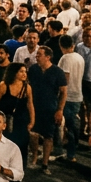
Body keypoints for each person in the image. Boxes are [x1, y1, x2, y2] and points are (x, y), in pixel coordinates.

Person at [0, 63, 34, 182]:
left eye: (25, 72)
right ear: (14, 72)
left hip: (20, 123)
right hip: (5, 124)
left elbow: (30, 105)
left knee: (21, 152)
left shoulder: (27, 88)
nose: (24, 74)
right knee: (5, 150)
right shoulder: (4, 86)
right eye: (21, 71)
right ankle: (3, 179)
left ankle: (17, 181)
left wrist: (32, 121)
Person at [28, 46, 68, 174]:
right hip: (34, 107)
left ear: (48, 57)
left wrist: (60, 110)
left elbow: (63, 92)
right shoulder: (33, 69)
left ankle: (45, 163)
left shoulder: (58, 72)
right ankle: (34, 155)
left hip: (50, 108)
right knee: (33, 134)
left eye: (39, 54)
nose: (36, 57)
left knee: (48, 136)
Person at [61, 35, 88, 161]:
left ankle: (71, 153)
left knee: (69, 126)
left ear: (61, 46)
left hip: (68, 96)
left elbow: (65, 78)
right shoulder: (79, 57)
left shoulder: (65, 58)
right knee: (72, 123)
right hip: (78, 95)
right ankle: (72, 150)